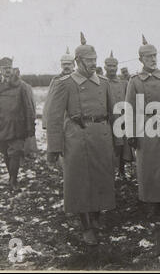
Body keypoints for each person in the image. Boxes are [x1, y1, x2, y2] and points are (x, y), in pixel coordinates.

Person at [46, 33, 121, 245]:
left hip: (101, 136)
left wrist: (119, 142)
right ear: (78, 62)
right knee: (79, 181)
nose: (93, 65)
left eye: (95, 61)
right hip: (76, 138)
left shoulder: (104, 83)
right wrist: (54, 147)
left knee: (101, 178)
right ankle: (86, 225)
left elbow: (114, 113)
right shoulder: (65, 84)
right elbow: (53, 117)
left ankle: (96, 216)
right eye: (89, 61)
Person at [125, 35, 160, 252]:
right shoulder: (135, 81)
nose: (152, 59)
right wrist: (131, 133)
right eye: (148, 56)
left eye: (155, 55)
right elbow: (129, 109)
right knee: (149, 166)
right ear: (141, 59)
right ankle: (152, 205)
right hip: (146, 126)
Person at [0, 57, 36, 188]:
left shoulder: (21, 86)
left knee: (15, 152)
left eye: (9, 68)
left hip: (17, 126)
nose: (7, 71)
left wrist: (30, 127)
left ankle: (13, 180)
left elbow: (28, 107)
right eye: (4, 68)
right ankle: (12, 176)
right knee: (5, 153)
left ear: (12, 68)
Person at [104, 51, 134, 178]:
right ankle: (108, 171)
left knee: (122, 145)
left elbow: (130, 100)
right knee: (108, 145)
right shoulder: (101, 82)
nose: (112, 69)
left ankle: (121, 170)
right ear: (105, 67)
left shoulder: (124, 83)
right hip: (107, 119)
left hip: (121, 119)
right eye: (109, 66)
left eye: (114, 66)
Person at [42, 47, 75, 130]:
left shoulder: (78, 80)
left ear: (74, 65)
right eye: (64, 64)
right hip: (59, 120)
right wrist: (46, 122)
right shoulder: (56, 80)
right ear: (61, 65)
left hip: (75, 121)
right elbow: (49, 101)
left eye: (69, 64)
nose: (66, 66)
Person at [14, 67, 38, 157]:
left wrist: (32, 115)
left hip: (25, 115)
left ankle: (29, 151)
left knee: (28, 133)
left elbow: (31, 102)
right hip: (18, 117)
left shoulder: (25, 86)